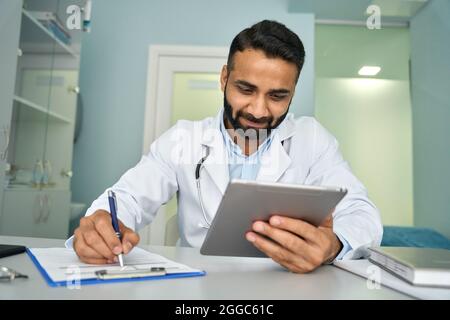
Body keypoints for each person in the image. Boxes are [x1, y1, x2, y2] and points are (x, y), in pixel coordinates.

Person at [70, 20, 382, 273]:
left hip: (285, 287)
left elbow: (361, 212)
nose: (259, 111)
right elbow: (128, 198)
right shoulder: (183, 139)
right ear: (224, 78)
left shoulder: (312, 139)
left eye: (277, 96)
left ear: (293, 92)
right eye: (246, 89)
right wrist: (99, 226)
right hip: (198, 288)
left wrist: (333, 244)